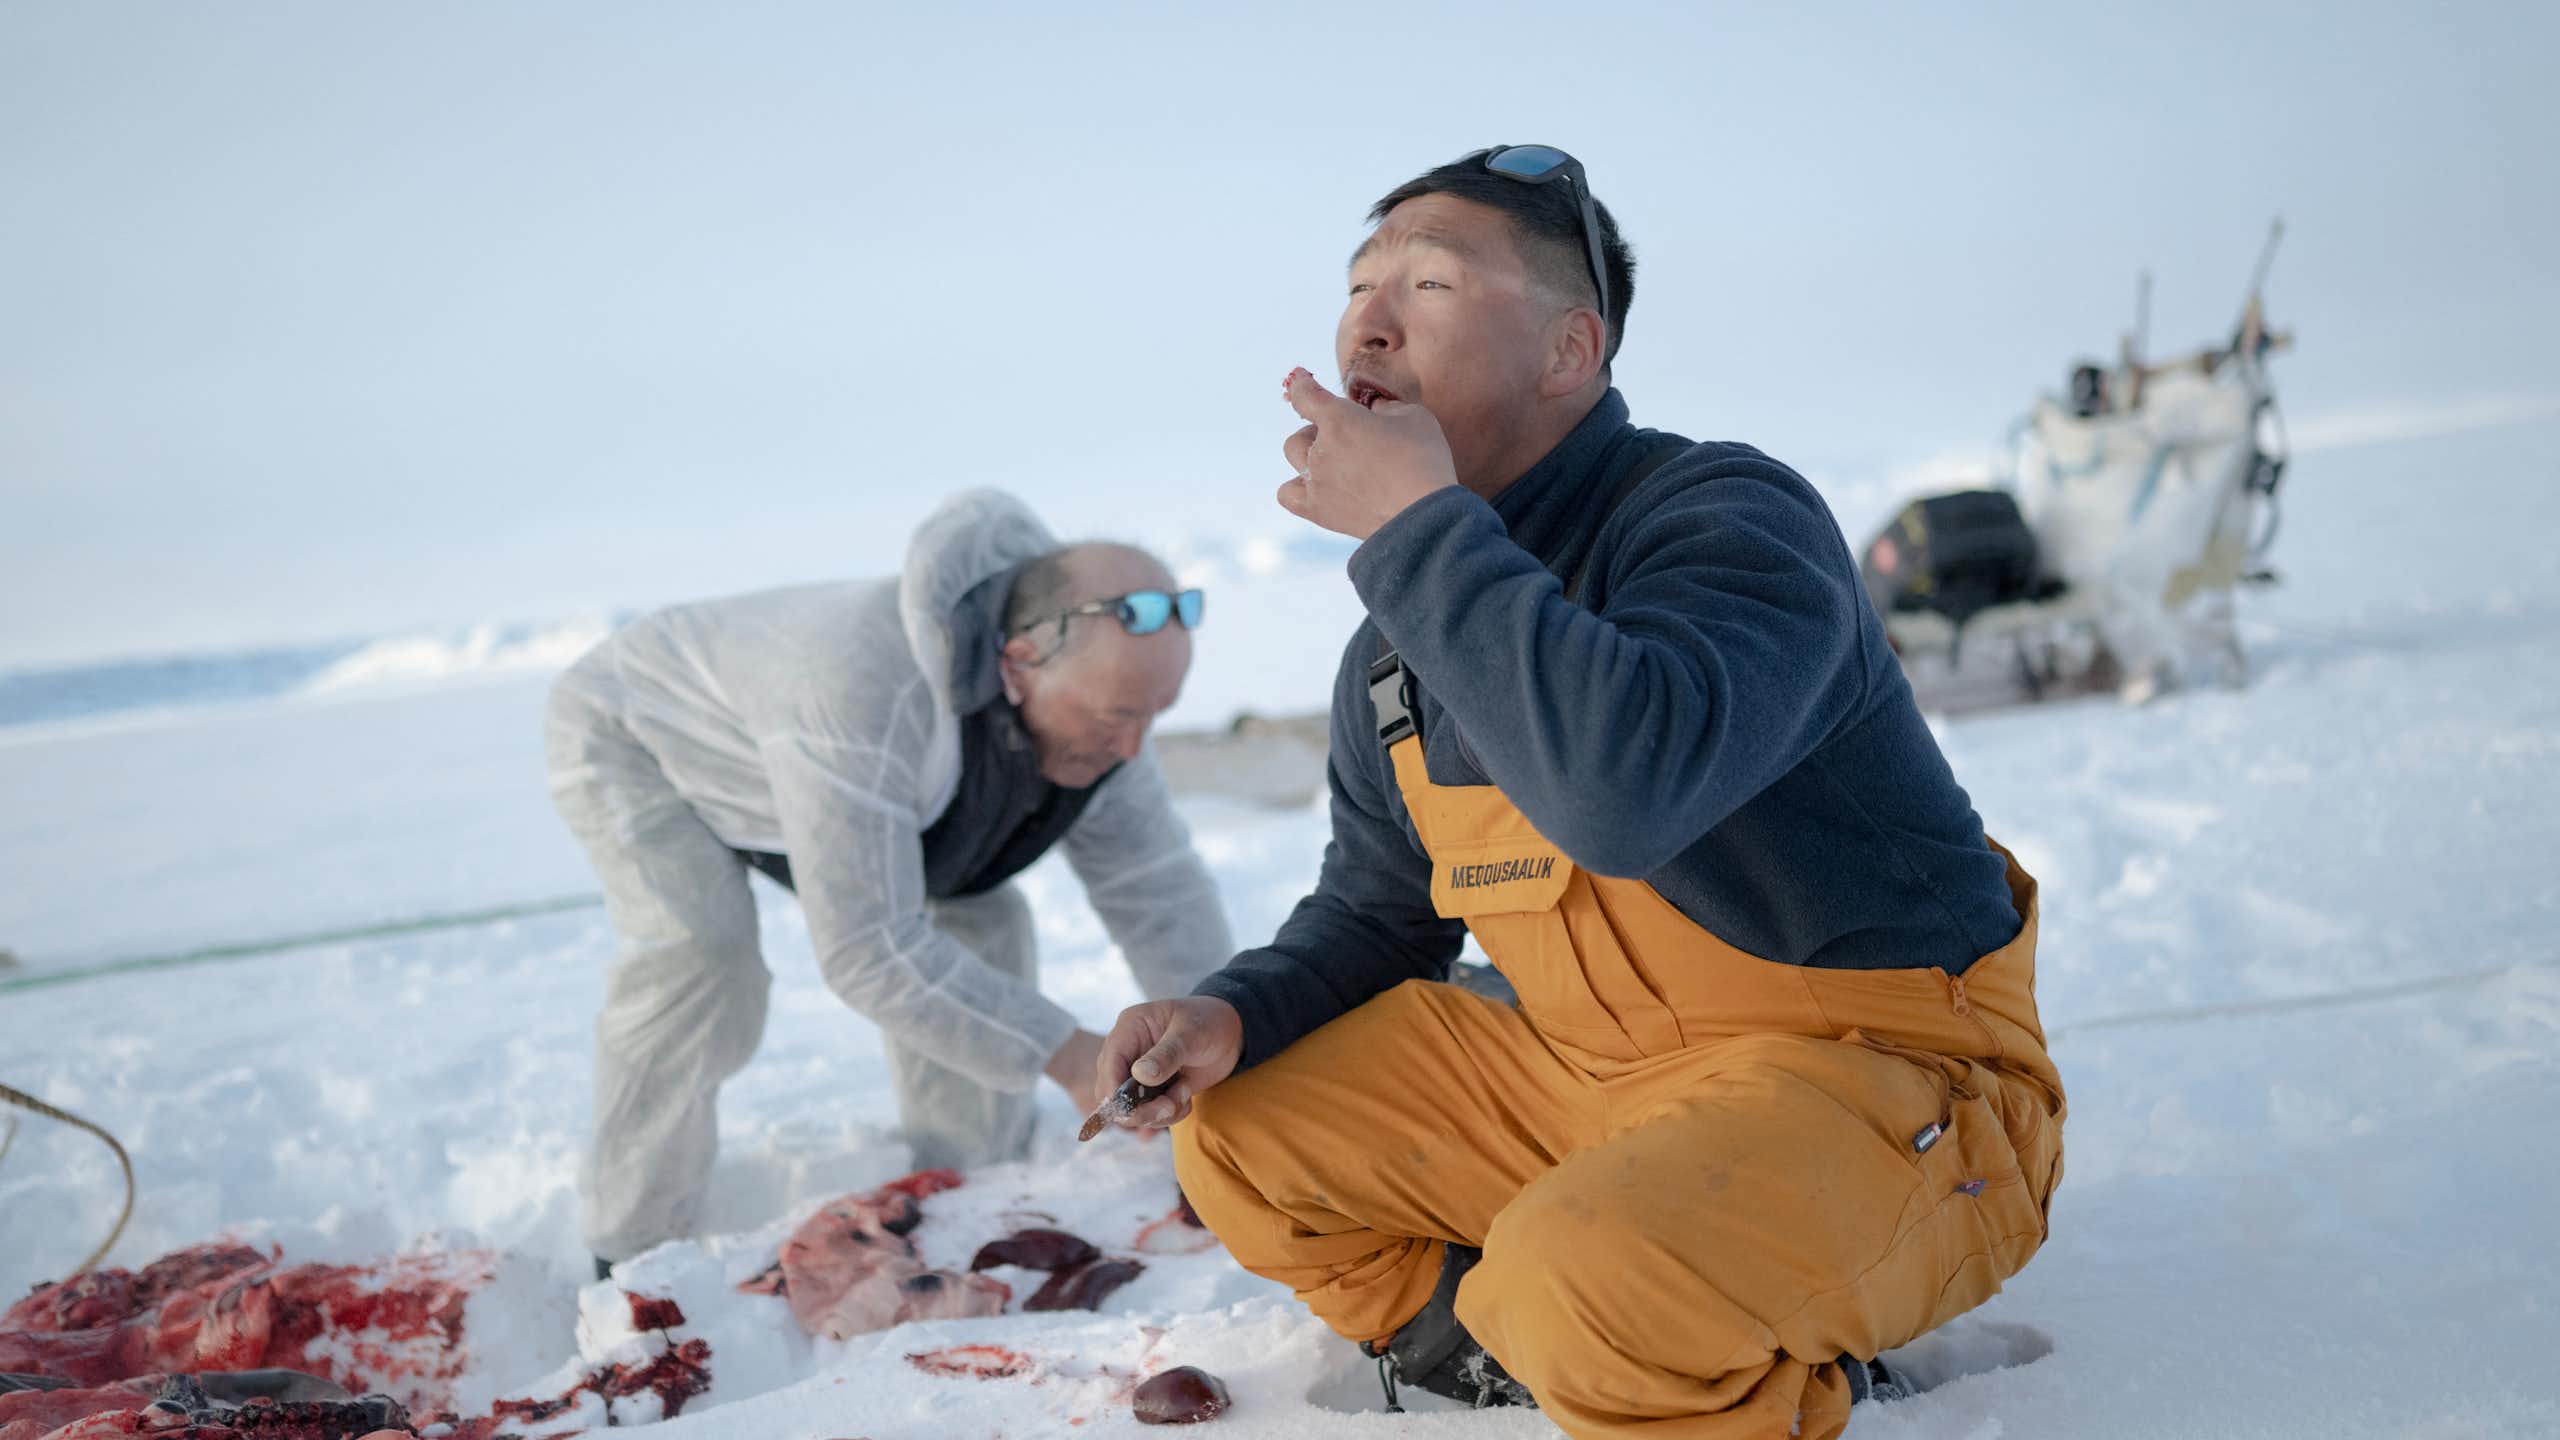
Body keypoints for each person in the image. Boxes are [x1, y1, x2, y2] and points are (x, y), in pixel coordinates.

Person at [1093, 147, 2065, 1440]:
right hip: (1598, 1079)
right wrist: (1229, 1014)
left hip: (1889, 1089)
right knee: (1240, 1136)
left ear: (1568, 351)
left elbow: (1625, 787)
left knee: (1579, 1281)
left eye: (1430, 283)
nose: (1367, 322)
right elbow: (1380, 918)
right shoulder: (1397, 653)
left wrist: (1415, 532)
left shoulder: (1725, 518)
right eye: (1358, 285)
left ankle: (1707, 1357)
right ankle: (1524, 1361)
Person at [547, 488, 1233, 1273]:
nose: (1133, 747)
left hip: (865, 781)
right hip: (644, 737)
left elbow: (1159, 890)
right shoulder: (859, 690)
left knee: (979, 915)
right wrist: (1069, 1054)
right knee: (702, 962)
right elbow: (868, 948)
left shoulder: (1108, 705)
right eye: (1116, 719)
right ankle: (630, 1248)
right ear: (1018, 667)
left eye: (1157, 714)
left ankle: (966, 1188)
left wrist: (1214, 1034)